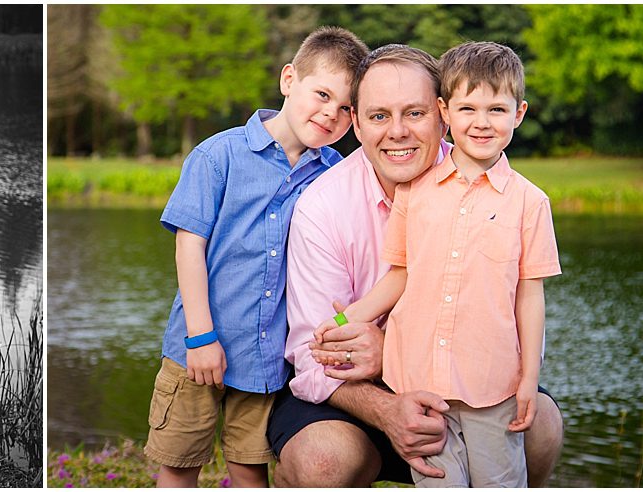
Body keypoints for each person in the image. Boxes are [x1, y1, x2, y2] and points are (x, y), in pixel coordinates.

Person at [269, 44, 565, 487]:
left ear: (441, 115)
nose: (398, 132)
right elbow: (316, 355)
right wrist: (388, 406)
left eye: (415, 113)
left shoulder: (490, 185)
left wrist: (386, 348)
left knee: (539, 421)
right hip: (353, 395)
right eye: (379, 116)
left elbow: (521, 310)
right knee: (323, 459)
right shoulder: (323, 206)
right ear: (356, 122)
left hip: (465, 382)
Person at [143, 27, 369, 487]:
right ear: (290, 80)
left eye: (346, 107)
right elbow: (189, 246)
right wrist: (200, 336)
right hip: (198, 347)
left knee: (251, 467)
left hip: (266, 361)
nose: (331, 113)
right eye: (322, 94)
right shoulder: (218, 156)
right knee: (178, 463)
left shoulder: (334, 175)